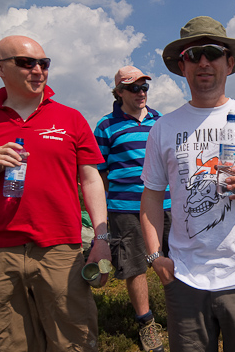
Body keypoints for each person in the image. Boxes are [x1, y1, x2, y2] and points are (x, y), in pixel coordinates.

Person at [0, 35, 111, 351]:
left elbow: (91, 181)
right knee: (11, 343)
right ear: (0, 68)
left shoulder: (71, 118)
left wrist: (101, 241)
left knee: (74, 341)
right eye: (26, 63)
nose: (38, 70)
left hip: (60, 249)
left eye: (44, 63)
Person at [140, 16, 235, 352]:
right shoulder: (163, 128)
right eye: (194, 55)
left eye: (212, 52)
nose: (203, 62)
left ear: (230, 62)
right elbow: (150, 198)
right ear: (183, 65)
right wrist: (154, 257)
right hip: (185, 280)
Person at [94, 65, 171, 352]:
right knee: (134, 266)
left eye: (144, 87)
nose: (141, 93)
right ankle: (146, 323)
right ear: (119, 93)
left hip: (166, 205)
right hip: (124, 209)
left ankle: (178, 313)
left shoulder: (160, 121)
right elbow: (98, 173)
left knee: (176, 258)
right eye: (134, 88)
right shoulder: (105, 126)